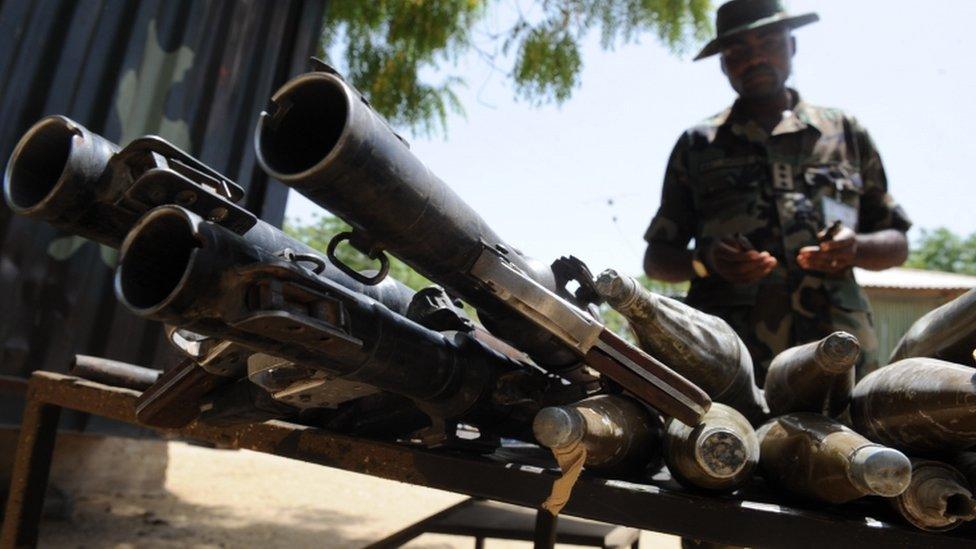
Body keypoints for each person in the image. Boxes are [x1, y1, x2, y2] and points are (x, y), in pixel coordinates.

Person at [642, 0, 911, 381]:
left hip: (839, 356)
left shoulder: (845, 132)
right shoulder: (697, 145)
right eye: (738, 51)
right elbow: (657, 258)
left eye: (768, 42)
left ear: (792, 46)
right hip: (732, 366)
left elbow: (897, 243)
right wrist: (706, 262)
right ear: (723, 64)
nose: (755, 59)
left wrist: (855, 249)